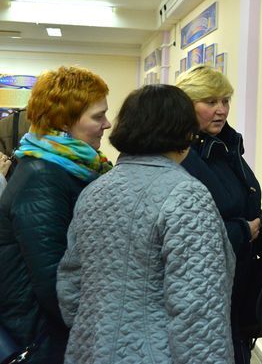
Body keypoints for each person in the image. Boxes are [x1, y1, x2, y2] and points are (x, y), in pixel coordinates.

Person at [57, 84, 235, 363]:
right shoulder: (187, 195)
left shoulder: (95, 190)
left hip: (90, 350)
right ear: (186, 133)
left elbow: (70, 284)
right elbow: (198, 311)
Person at [176, 65, 262, 364]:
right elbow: (184, 231)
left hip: (239, 286)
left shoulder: (227, 146)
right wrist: (241, 231)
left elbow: (244, 202)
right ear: (186, 105)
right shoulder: (180, 155)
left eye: (225, 100)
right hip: (206, 292)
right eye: (210, 101)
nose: (222, 109)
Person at [0, 67, 112, 364]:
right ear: (64, 121)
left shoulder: (68, 167)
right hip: (43, 338)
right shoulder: (43, 177)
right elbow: (53, 281)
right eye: (98, 116)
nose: (107, 124)